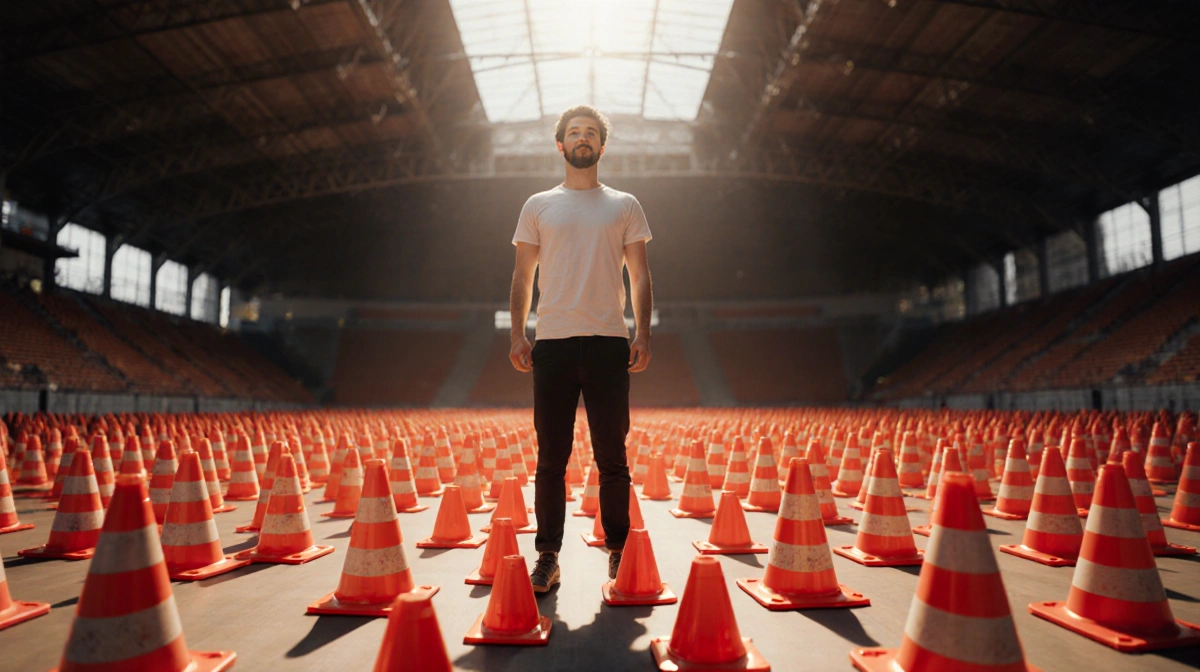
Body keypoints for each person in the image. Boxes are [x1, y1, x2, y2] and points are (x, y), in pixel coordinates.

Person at [509, 105, 653, 592]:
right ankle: (547, 557)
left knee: (612, 456)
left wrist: (644, 331)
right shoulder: (537, 205)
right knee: (551, 458)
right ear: (561, 145)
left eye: (591, 132)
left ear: (602, 146)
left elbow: (640, 273)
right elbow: (523, 275)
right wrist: (516, 332)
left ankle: (619, 552)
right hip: (552, 343)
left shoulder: (625, 204)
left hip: (610, 342)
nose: (583, 138)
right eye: (574, 132)